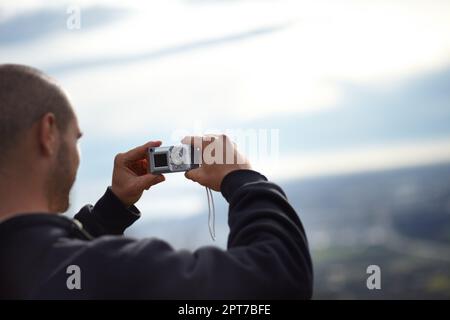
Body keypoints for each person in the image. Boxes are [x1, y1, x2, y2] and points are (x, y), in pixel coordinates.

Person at [0, 64, 313, 299]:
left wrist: (110, 211)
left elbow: (49, 267)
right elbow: (279, 277)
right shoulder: (115, 270)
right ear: (49, 134)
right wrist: (242, 178)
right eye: (76, 138)